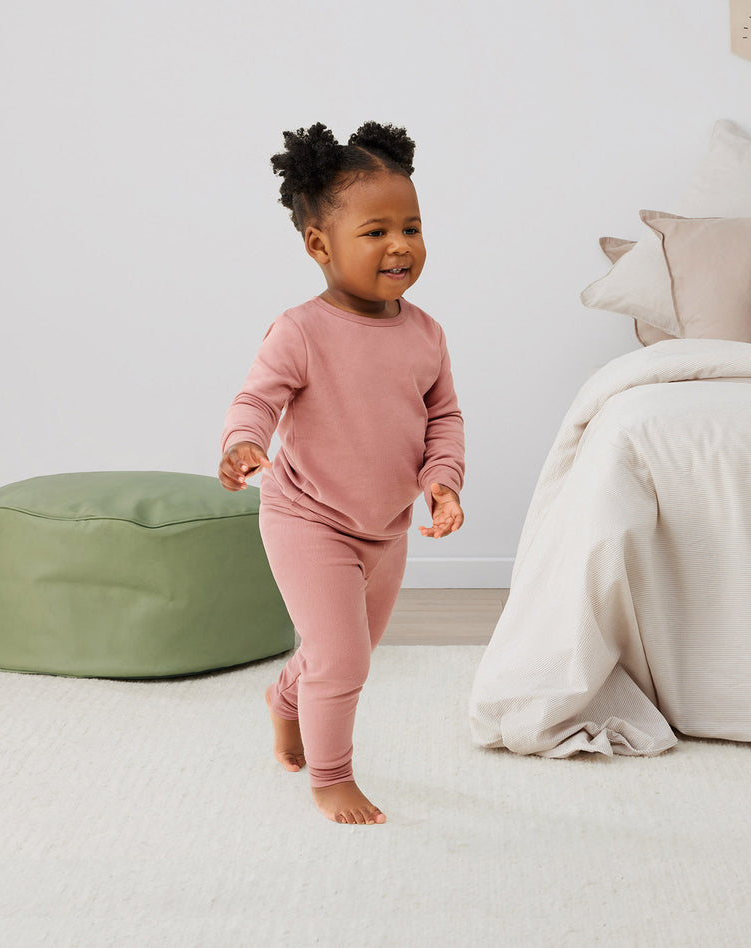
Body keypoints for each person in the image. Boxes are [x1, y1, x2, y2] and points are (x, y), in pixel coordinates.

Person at [219, 121, 465, 825]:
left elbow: (443, 417)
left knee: (341, 656)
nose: (400, 245)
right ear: (319, 246)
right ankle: (331, 778)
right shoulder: (301, 331)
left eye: (412, 227)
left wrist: (441, 480)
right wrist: (242, 443)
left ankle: (285, 696)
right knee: (346, 665)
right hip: (307, 519)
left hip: (385, 530)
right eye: (376, 231)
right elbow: (256, 399)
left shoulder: (425, 334)